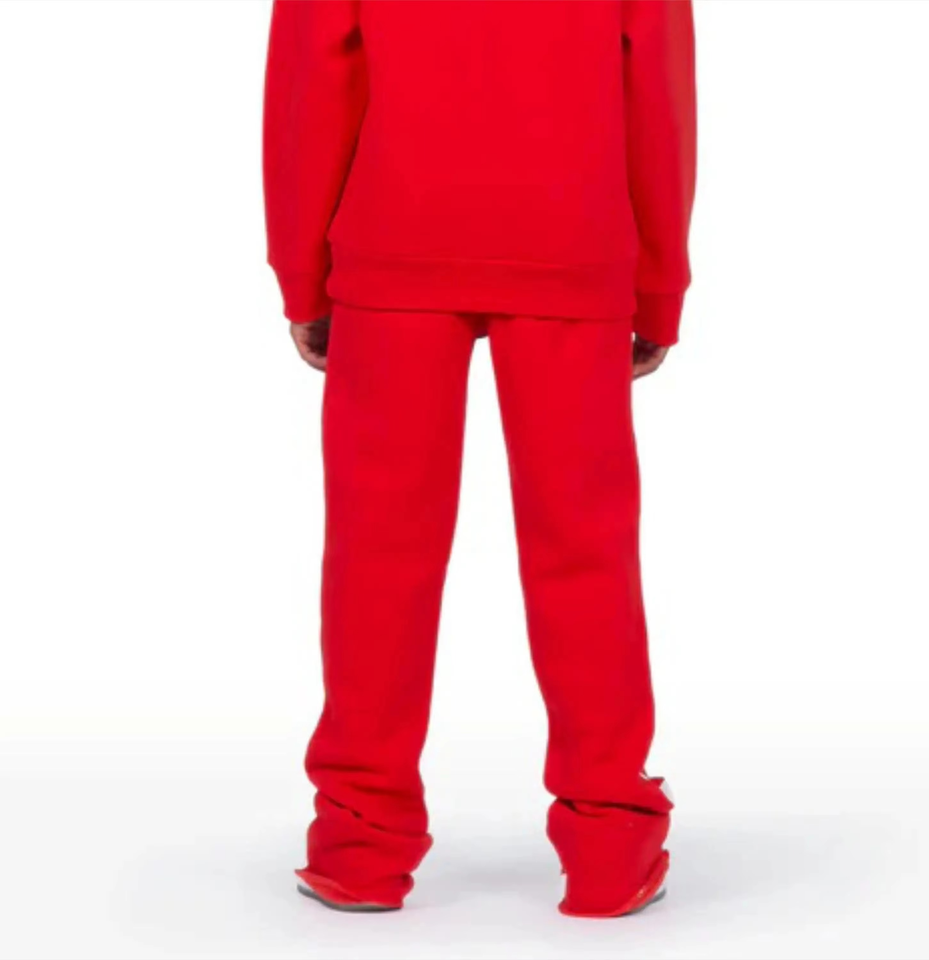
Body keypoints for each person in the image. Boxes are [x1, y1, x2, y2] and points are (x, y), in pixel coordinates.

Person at [263, 0, 696, 919]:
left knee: (377, 553)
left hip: (395, 236)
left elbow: (313, 72)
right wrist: (658, 283)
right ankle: (611, 845)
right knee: (585, 549)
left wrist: (303, 273)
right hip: (571, 239)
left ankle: (359, 843)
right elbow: (656, 86)